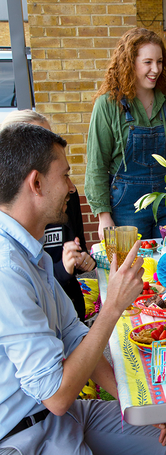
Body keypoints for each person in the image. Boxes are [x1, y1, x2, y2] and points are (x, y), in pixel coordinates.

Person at [0, 123, 166, 455]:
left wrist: (138, 404)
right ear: (36, 183)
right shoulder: (7, 268)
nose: (71, 187)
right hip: (21, 440)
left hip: (57, 418)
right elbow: (58, 394)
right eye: (64, 175)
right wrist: (113, 307)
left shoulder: (29, 253)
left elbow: (74, 335)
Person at [85, 27, 166, 240]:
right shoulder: (108, 104)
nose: (155, 69)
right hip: (126, 208)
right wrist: (104, 217)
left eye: (160, 62)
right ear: (129, 63)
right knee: (134, 269)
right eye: (147, 62)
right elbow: (96, 164)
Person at [2, 110, 96, 322]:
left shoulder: (65, 199)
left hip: (72, 308)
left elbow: (71, 332)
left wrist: (80, 260)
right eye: (38, 140)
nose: (71, 187)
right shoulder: (9, 264)